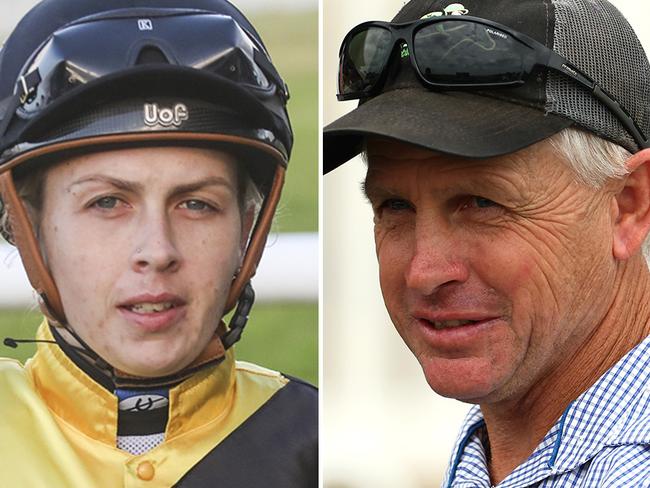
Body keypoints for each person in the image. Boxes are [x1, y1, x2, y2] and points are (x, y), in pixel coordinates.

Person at [324, 0, 650, 486]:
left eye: (481, 203)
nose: (424, 271)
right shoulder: (507, 450)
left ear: (628, 206)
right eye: (394, 206)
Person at [0, 0, 317, 486]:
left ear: (247, 227)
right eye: (107, 202)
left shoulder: (321, 445)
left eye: (196, 204)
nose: (157, 250)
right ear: (24, 228)